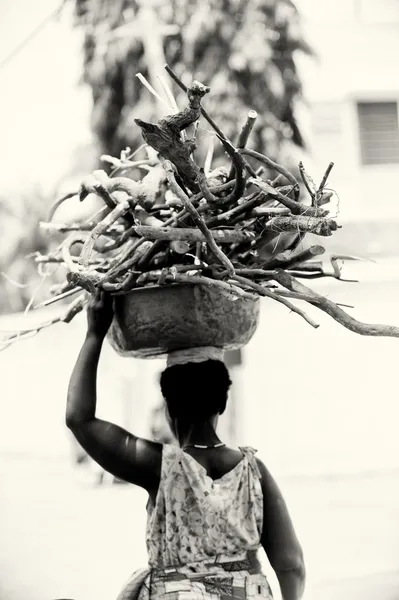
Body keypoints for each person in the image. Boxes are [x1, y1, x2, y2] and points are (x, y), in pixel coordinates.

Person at [66, 290, 306, 600]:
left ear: (168, 407)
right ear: (222, 405)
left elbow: (78, 418)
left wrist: (95, 333)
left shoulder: (157, 466)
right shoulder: (254, 472)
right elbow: (292, 564)